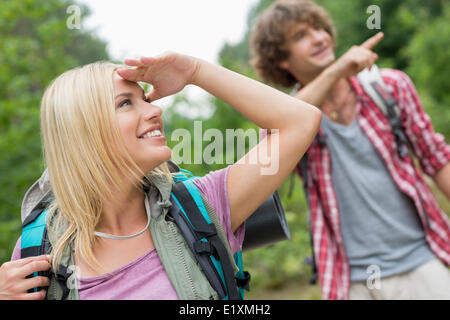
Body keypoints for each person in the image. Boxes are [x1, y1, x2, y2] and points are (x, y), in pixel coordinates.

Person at [0, 52, 321, 300]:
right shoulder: (39, 250)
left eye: (147, 99)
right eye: (126, 103)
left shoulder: (201, 205)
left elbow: (301, 121)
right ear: (83, 131)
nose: (155, 111)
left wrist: (196, 71)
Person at [250, 0, 450, 300]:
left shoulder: (390, 87)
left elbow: (437, 160)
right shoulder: (287, 116)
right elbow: (267, 151)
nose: (319, 37)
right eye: (300, 35)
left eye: (318, 28)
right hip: (350, 280)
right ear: (281, 59)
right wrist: (336, 71)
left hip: (421, 261)